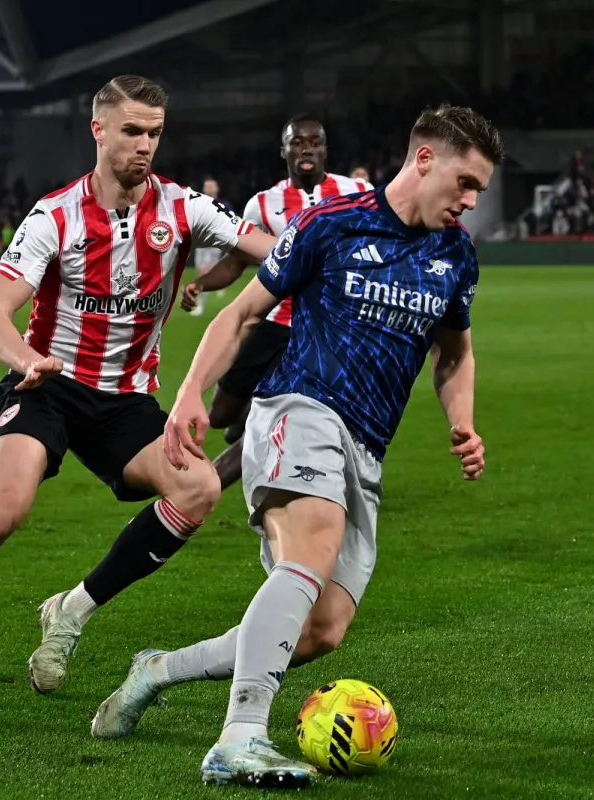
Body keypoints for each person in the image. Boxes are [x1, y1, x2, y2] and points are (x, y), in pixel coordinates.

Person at [0, 75, 277, 718]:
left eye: (154, 133)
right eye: (132, 131)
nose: (145, 145)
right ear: (98, 130)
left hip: (124, 400)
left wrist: (327, 254)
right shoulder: (56, 214)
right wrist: (27, 360)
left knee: (199, 487)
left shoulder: (184, 208)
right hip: (48, 386)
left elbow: (271, 251)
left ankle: (72, 610)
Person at [91, 104, 503, 788]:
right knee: (310, 548)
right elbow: (242, 313)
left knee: (318, 631)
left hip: (367, 447)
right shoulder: (332, 222)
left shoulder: (454, 255)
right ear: (425, 159)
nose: (470, 201)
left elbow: (454, 352)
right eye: (465, 183)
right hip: (297, 409)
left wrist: (463, 420)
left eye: (479, 191)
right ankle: (239, 738)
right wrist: (192, 392)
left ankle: (158, 670)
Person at [179, 115, 371, 489]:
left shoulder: (357, 193)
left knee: (270, 414)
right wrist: (201, 284)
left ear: (325, 150)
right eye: (297, 142)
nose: (307, 149)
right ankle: (246, 417)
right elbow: (237, 261)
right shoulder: (263, 204)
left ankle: (201, 488)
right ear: (283, 151)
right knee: (220, 415)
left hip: (321, 332)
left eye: (314, 142)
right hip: (271, 320)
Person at [189, 178, 228, 317]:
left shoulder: (224, 205)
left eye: (212, 186)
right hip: (201, 243)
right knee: (202, 271)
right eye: (207, 186)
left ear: (217, 188)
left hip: (214, 244)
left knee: (205, 273)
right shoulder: (199, 203)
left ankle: (200, 304)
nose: (210, 188)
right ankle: (218, 284)